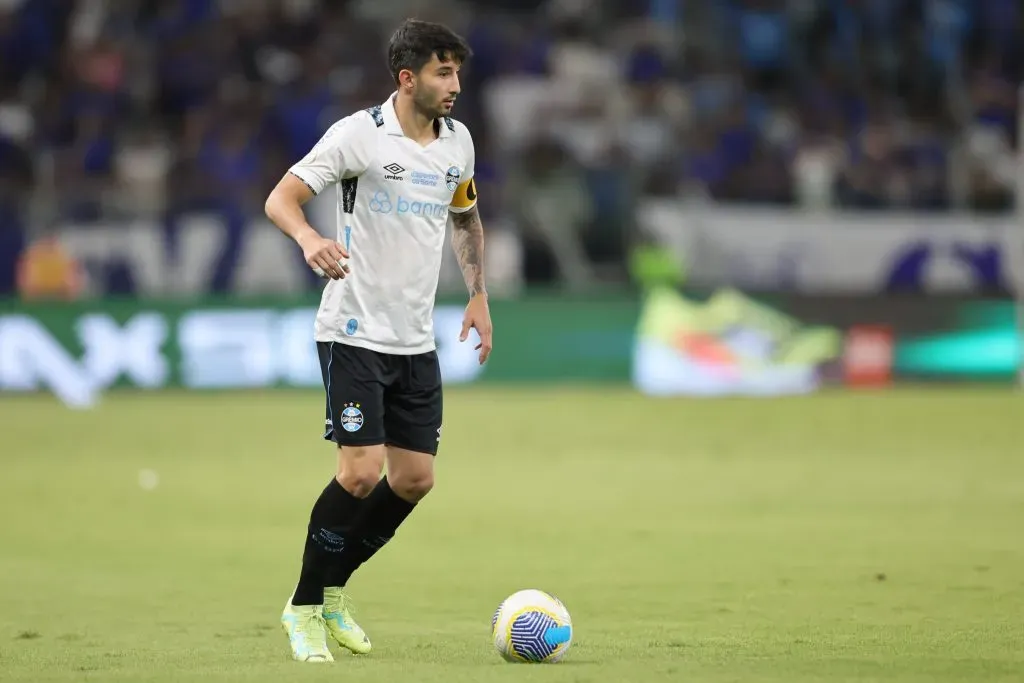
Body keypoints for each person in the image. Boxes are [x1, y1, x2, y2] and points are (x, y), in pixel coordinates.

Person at [263, 18, 493, 663]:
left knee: (414, 479)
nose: (454, 85)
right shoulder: (359, 134)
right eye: (443, 72)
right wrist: (311, 239)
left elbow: (466, 215)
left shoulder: (458, 144)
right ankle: (305, 607)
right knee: (361, 473)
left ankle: (333, 591)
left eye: (457, 72)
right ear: (407, 76)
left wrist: (478, 295)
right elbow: (281, 199)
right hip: (353, 330)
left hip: (414, 338)